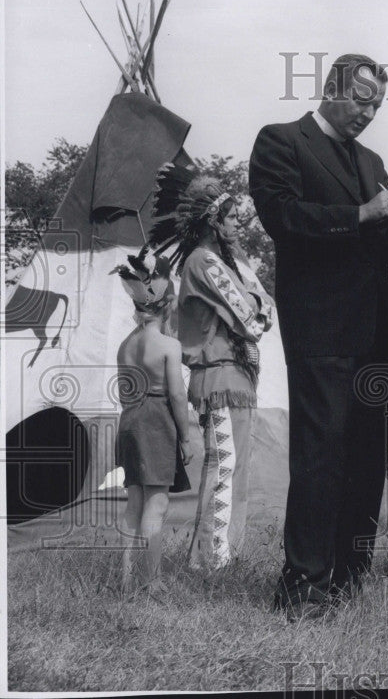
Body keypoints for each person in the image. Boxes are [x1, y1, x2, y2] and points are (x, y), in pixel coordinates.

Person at [249, 54, 388, 617]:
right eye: (362, 99)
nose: (370, 113)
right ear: (330, 88)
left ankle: (350, 581)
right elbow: (283, 218)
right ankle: (302, 586)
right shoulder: (281, 142)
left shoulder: (373, 160)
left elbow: (384, 244)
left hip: (375, 335)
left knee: (367, 462)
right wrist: (361, 213)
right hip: (320, 328)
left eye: (377, 104)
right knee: (320, 457)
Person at [153, 170, 276, 570]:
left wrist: (255, 301)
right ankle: (212, 564)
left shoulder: (224, 260)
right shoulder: (204, 261)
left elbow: (265, 306)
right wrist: (256, 304)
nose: (238, 223)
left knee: (233, 467)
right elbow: (254, 320)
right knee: (225, 468)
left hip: (233, 376)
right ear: (212, 220)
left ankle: (219, 558)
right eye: (231, 216)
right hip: (220, 376)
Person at [113, 249, 192, 592]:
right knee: (156, 504)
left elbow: (122, 392)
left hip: (129, 419)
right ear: (168, 303)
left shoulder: (125, 345)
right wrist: (185, 437)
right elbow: (177, 395)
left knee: (134, 503)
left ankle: (126, 579)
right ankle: (153, 581)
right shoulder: (168, 346)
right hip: (157, 420)